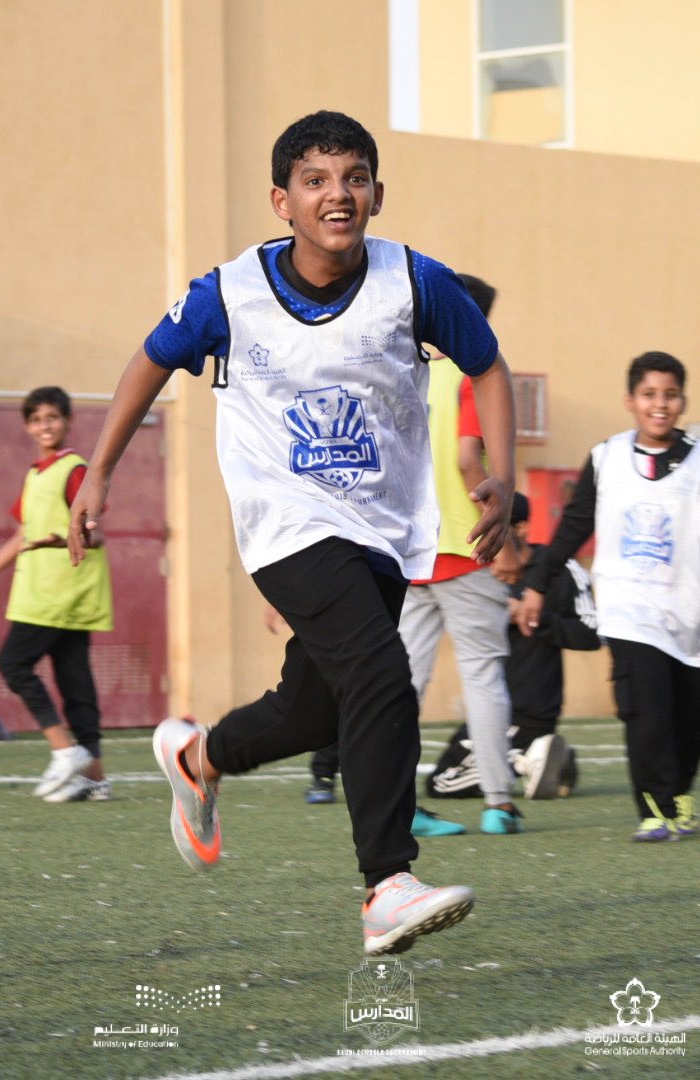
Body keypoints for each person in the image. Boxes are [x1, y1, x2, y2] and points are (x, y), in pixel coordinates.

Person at [68, 111, 516, 955]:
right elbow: (148, 361)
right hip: (285, 524)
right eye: (315, 180)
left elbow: (487, 364)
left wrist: (504, 476)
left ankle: (201, 760)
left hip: (382, 528)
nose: (336, 195)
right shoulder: (227, 293)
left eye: (352, 178)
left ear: (377, 193)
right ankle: (388, 882)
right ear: (283, 200)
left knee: (317, 709)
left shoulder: (415, 282)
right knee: (382, 672)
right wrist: (99, 470)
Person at [516, 351, 700, 842]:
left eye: (669, 395)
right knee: (645, 710)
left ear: (683, 401)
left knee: (693, 718)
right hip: (626, 610)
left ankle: (678, 792)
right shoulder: (606, 458)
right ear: (630, 401)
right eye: (649, 395)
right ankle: (653, 810)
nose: (659, 405)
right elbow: (573, 526)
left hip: (689, 613)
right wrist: (538, 583)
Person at [398, 273, 522, 837]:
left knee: (402, 685)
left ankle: (402, 805)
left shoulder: (408, 373)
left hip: (410, 553)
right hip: (465, 550)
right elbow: (470, 459)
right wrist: (504, 539)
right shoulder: (471, 378)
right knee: (483, 677)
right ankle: (498, 802)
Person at [0, 387, 114, 803]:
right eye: (37, 419)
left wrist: (65, 541)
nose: (45, 426)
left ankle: (64, 750)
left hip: (61, 592)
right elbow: (21, 536)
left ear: (68, 420)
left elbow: (97, 536)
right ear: (27, 426)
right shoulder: (36, 473)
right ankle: (95, 779)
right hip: (47, 591)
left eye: (52, 417)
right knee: (75, 683)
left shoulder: (75, 469)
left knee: (12, 662)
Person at [426, 491, 600, 801]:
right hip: (487, 710)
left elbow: (591, 634)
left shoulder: (558, 569)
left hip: (530, 712)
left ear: (519, 529)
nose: (481, 537)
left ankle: (525, 760)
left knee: (443, 783)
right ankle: (536, 757)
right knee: (439, 781)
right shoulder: (475, 575)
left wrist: (534, 616)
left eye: (492, 528)